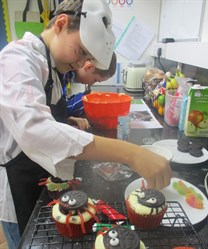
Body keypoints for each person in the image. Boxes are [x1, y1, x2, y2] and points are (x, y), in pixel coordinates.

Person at [0, 0, 172, 248]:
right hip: (18, 188)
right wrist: (133, 154)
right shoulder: (18, 59)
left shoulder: (53, 68)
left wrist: (63, 120)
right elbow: (34, 129)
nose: (81, 64)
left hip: (39, 178)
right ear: (61, 24)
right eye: (80, 51)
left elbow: (40, 113)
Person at [65, 52, 117, 130]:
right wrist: (86, 99)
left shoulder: (70, 74)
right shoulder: (64, 73)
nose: (91, 84)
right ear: (89, 67)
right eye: (95, 80)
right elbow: (62, 108)